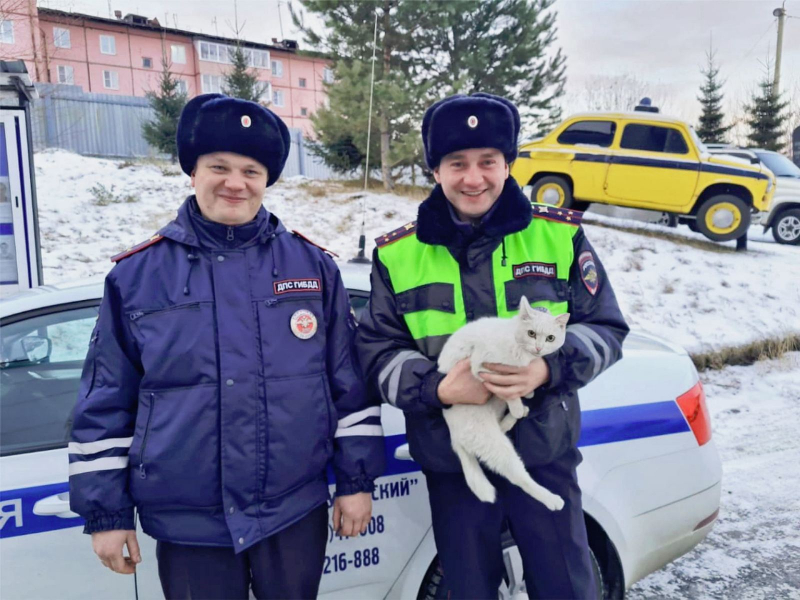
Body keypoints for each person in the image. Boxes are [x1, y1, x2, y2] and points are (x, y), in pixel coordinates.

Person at [69, 94, 385, 600]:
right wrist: (106, 513)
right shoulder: (135, 277)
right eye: (219, 166)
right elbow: (106, 400)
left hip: (291, 510)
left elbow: (348, 386)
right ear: (193, 172)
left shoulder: (313, 269)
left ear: (267, 180)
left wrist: (356, 481)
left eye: (251, 170)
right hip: (189, 523)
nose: (234, 183)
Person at [356, 93, 629, 599]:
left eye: (488, 162)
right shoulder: (397, 254)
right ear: (435, 169)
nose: (473, 178)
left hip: (543, 451)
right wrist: (438, 387)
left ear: (509, 164)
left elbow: (607, 329)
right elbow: (376, 350)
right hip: (453, 458)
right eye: (456, 163)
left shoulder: (558, 236)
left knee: (567, 589)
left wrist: (546, 371)